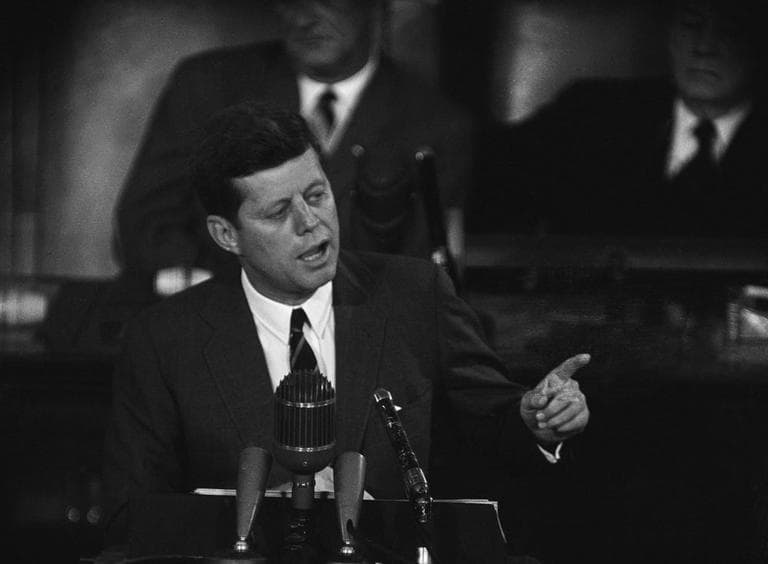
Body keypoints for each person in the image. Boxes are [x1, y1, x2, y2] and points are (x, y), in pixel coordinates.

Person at [101, 102, 590, 549]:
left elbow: (495, 421)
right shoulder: (164, 341)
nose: (310, 222)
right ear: (227, 235)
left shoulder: (415, 296)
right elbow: (132, 514)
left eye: (317, 195)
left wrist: (537, 420)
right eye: (278, 212)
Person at [114, 0, 473, 296]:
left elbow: (418, 270)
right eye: (291, 2)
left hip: (357, 339)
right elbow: (145, 224)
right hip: (218, 325)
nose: (305, 18)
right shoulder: (206, 85)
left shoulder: (435, 124)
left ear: (376, 6)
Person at [502, 0, 767, 238]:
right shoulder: (590, 112)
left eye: (729, 29)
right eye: (691, 24)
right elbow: (497, 169)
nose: (704, 47)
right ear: (670, 35)